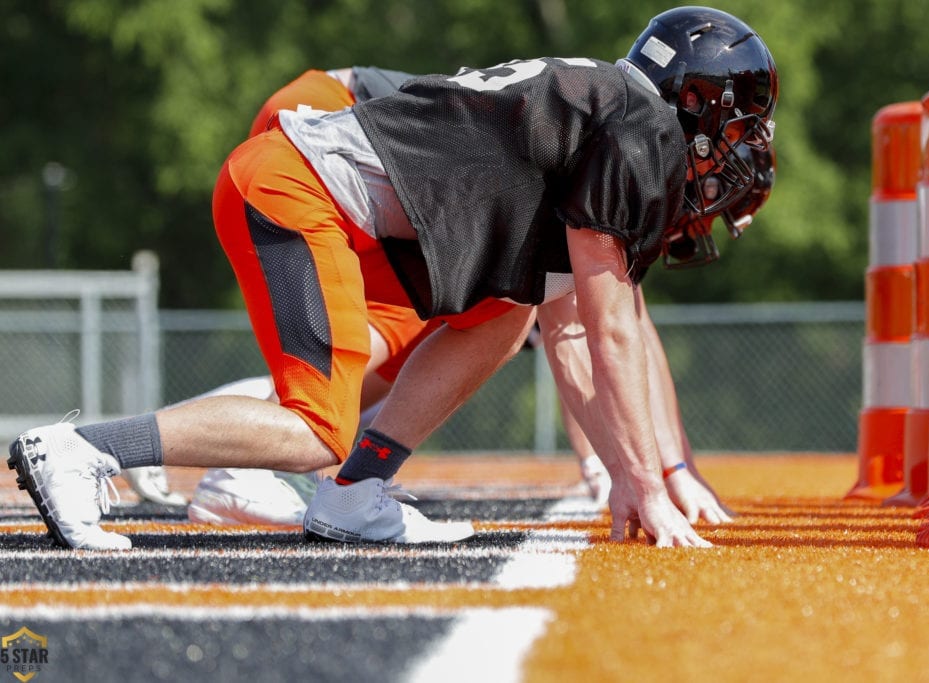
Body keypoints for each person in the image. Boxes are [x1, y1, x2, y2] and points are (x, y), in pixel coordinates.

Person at [8, 6, 777, 550]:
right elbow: (610, 327)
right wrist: (648, 475)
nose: (737, 152)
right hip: (296, 186)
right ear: (693, 102)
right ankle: (80, 449)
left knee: (506, 311)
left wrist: (625, 474)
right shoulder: (638, 124)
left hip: (323, 192)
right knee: (317, 428)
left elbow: (571, 330)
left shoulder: (601, 115)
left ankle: (356, 490)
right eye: (737, 126)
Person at [186, 63, 772, 527]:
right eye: (712, 188)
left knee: (442, 331)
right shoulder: (614, 149)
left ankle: (286, 458)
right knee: (392, 343)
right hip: (324, 122)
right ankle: (240, 459)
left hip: (330, 135)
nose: (700, 212)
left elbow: (598, 337)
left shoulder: (598, 127)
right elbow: (599, 335)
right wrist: (650, 470)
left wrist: (653, 467)